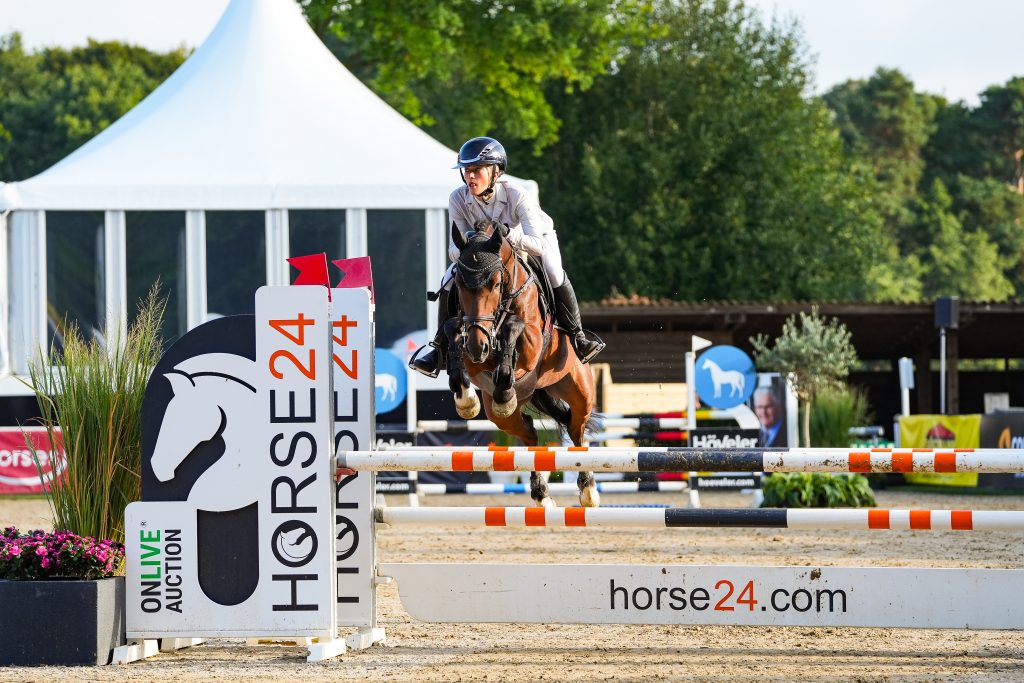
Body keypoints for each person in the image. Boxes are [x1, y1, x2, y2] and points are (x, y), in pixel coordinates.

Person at [410, 136, 604, 377]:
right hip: (487, 253)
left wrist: (507, 234)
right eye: (466, 171)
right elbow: (453, 250)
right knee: (448, 280)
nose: (470, 176)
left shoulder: (517, 194)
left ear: (495, 172)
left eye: (476, 170)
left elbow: (536, 245)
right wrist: (473, 242)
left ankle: (578, 336)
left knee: (553, 271)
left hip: (532, 241)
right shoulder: (457, 198)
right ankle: (439, 348)